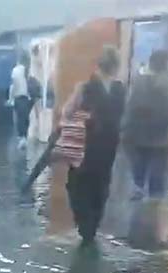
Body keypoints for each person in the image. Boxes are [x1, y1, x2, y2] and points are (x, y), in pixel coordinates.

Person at [61, 46, 126, 246]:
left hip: (84, 145)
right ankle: (93, 225)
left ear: (98, 65)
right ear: (116, 67)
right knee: (101, 183)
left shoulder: (85, 87)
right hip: (108, 146)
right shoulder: (121, 90)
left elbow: (67, 112)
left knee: (77, 184)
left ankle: (84, 225)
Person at [122, 49, 168, 200]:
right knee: (157, 181)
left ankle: (138, 197)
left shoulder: (138, 83)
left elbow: (129, 109)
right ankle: (152, 212)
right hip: (162, 141)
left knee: (138, 177)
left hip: (137, 138)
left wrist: (124, 134)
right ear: (167, 64)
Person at [10, 51, 31, 149]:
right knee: (26, 119)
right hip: (29, 98)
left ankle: (22, 139)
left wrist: (11, 98)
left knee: (20, 119)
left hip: (19, 97)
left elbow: (15, 85)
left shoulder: (16, 70)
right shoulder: (29, 69)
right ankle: (26, 138)